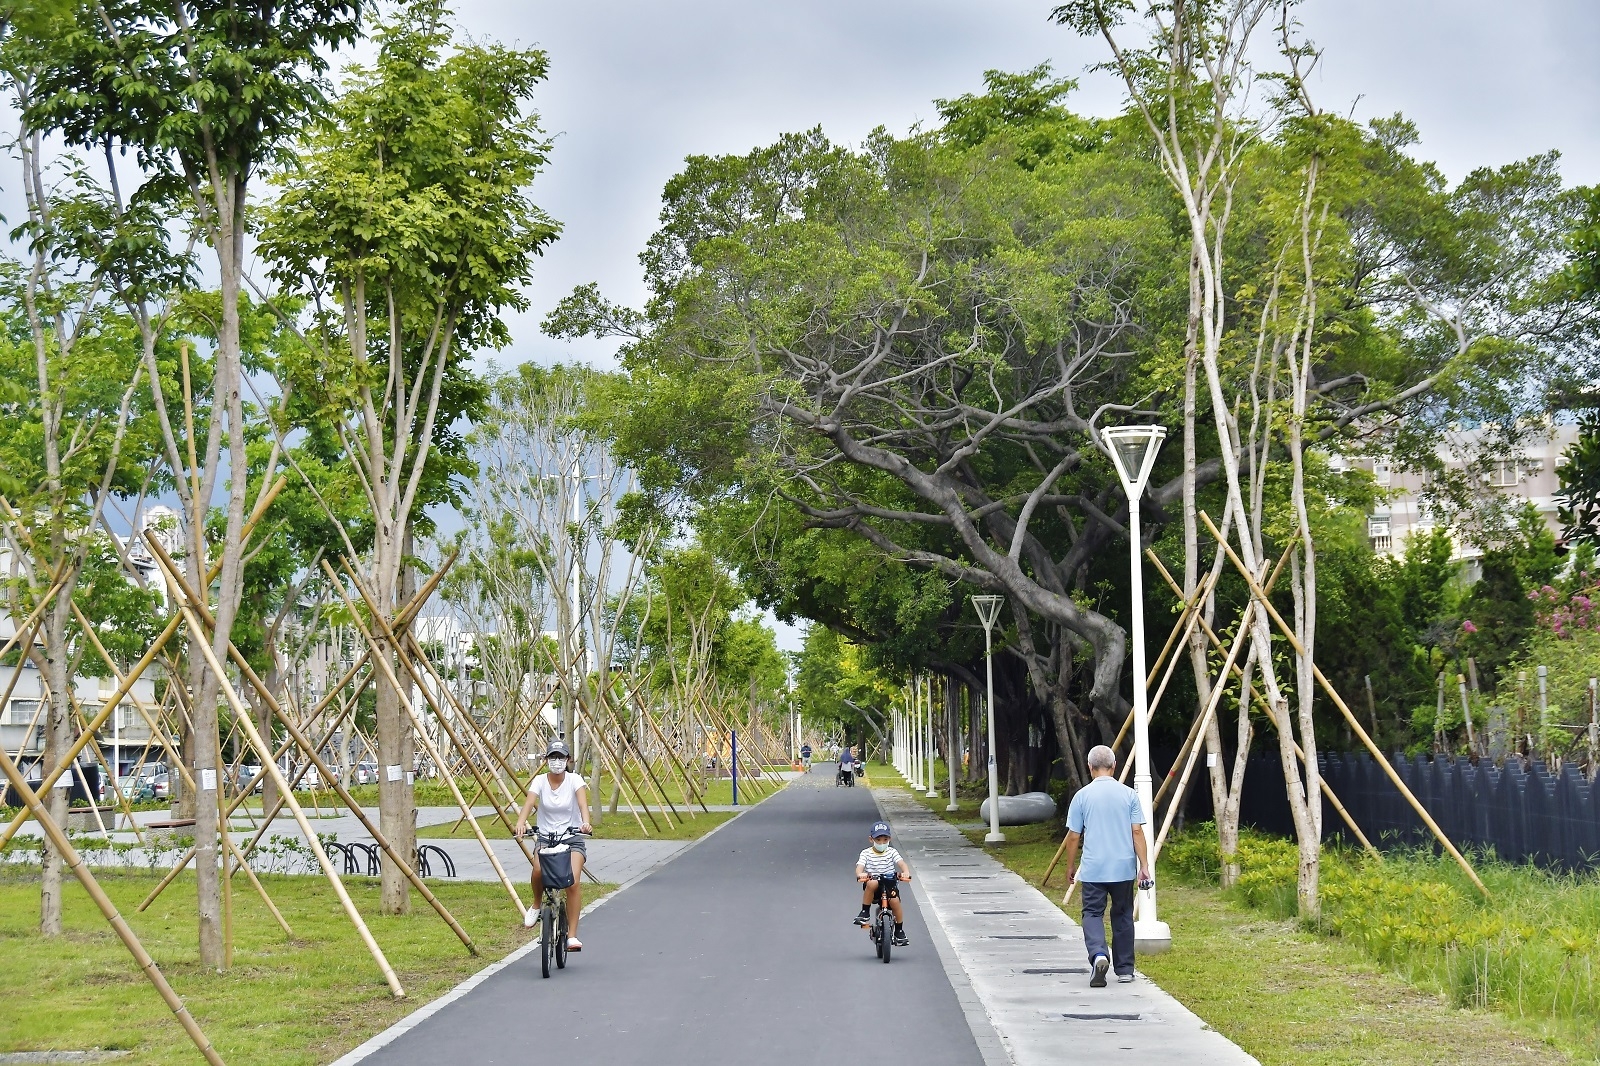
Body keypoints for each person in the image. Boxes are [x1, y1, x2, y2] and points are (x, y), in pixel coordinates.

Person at [1061, 744, 1151, 988]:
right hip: (1123, 868)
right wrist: (1143, 865)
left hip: (1093, 868)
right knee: (1122, 915)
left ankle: (1099, 954)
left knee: (1092, 913)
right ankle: (1124, 970)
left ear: (1089, 767)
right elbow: (1137, 832)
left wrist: (1070, 866)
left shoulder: (1082, 796)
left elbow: (1073, 836)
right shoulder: (1129, 795)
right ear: (1114, 766)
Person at [514, 740, 593, 951]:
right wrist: (521, 823)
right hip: (546, 837)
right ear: (546, 760)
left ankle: (572, 936)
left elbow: (583, 804)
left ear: (568, 760)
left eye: (561, 757)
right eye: (552, 757)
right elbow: (529, 803)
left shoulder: (575, 780)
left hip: (572, 837)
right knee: (538, 869)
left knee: (572, 881)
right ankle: (537, 904)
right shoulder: (539, 781)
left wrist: (585, 823)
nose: (556, 762)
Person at [853, 820, 911, 946]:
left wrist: (905, 871)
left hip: (890, 883)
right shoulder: (866, 853)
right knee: (873, 883)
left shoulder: (892, 852)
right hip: (874, 886)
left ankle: (899, 930)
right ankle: (865, 912)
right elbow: (860, 867)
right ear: (871, 839)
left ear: (889, 839)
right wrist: (860, 873)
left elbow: (901, 863)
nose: (882, 843)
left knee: (895, 902)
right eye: (878, 840)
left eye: (885, 839)